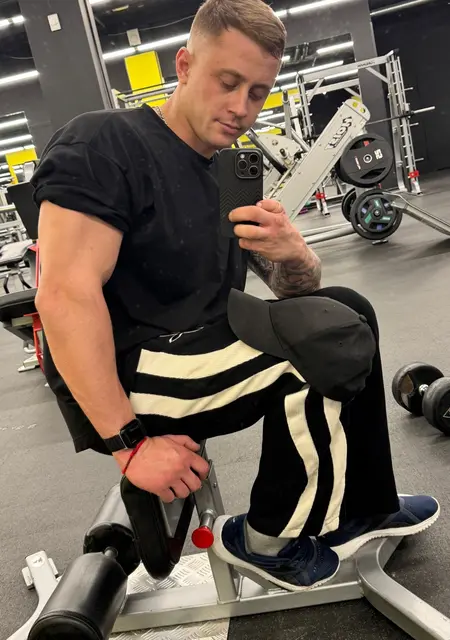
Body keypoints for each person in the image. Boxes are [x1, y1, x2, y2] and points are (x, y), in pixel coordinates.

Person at [32, 0, 439, 592]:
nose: (242, 108)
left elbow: (297, 291)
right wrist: (129, 446)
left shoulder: (225, 175)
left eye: (257, 93)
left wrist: (295, 254)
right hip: (131, 368)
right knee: (319, 346)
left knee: (351, 310)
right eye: (228, 83)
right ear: (184, 66)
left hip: (202, 344)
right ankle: (267, 539)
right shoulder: (104, 141)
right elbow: (63, 296)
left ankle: (365, 505)